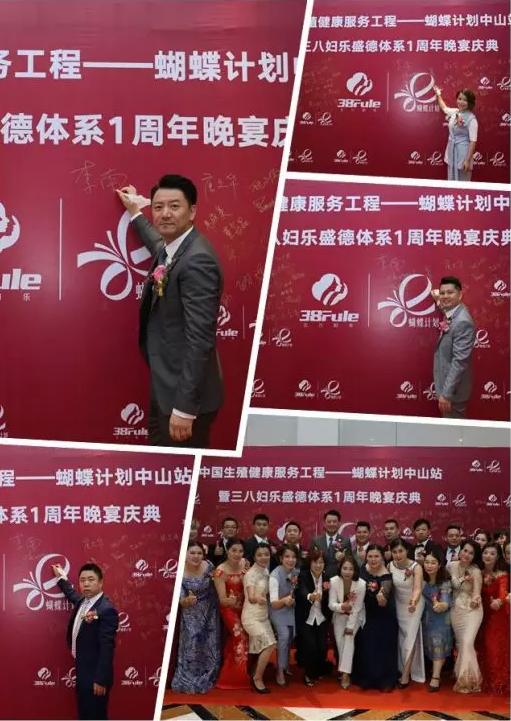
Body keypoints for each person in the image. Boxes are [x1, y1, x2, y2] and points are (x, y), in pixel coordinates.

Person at [116, 175, 223, 448]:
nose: (165, 214)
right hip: (166, 386)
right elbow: (157, 243)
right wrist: (135, 212)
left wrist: (185, 409)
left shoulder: (197, 260)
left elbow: (200, 340)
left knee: (179, 467)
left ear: (192, 211)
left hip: (185, 400)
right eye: (158, 207)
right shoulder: (175, 247)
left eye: (174, 206)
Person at [52, 562, 119, 720]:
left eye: (91, 579)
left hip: (96, 678)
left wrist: (100, 680)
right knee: (85, 714)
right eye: (82, 580)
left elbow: (107, 647)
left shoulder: (106, 609)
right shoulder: (83, 601)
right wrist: (61, 578)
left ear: (101, 583)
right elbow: (71, 594)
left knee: (96, 715)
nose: (86, 584)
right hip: (83, 672)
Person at [171, 541, 221, 693]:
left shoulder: (209, 566)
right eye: (192, 553)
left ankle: (209, 674)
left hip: (210, 611)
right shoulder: (180, 571)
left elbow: (218, 582)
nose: (196, 556)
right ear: (185, 554)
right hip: (191, 613)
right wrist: (187, 600)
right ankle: (189, 676)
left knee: (210, 644)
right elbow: (181, 599)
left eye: (199, 553)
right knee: (192, 645)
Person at [352, 544, 399, 692]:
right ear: (366, 557)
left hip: (383, 616)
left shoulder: (386, 577)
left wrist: (382, 598)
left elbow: (384, 599)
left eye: (376, 556)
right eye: (370, 556)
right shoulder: (361, 570)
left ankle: (384, 680)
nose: (373, 559)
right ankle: (365, 678)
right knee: (365, 646)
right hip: (364, 614)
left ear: (382, 557)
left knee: (381, 648)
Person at [432, 276, 475, 419]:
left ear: (460, 295)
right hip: (449, 388)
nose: (445, 296)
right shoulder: (455, 311)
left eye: (450, 292)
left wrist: (446, 394)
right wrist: (438, 300)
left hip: (453, 392)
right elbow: (446, 309)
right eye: (442, 293)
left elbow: (459, 362)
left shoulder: (463, 322)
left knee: (454, 429)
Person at [213, 538, 250, 689]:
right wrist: (231, 601)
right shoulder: (220, 571)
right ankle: (236, 678)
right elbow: (222, 601)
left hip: (246, 608)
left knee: (235, 641)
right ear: (227, 551)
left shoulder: (245, 564)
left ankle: (228, 673)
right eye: (234, 550)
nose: (237, 554)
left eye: (240, 551)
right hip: (229, 610)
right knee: (240, 637)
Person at [447, 539, 483, 693]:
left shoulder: (475, 571)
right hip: (456, 610)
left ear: (474, 556)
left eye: (471, 553)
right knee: (461, 644)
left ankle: (466, 682)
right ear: (460, 550)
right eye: (465, 550)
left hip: (472, 611)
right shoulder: (450, 566)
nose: (466, 554)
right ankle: (463, 677)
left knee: (467, 642)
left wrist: (476, 600)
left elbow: (476, 593)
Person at [388, 538, 426, 686]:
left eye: (401, 551)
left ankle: (405, 675)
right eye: (394, 552)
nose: (398, 555)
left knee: (410, 636)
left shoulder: (416, 567)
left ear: (407, 551)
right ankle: (403, 667)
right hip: (398, 604)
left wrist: (413, 601)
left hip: (414, 605)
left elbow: (417, 588)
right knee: (403, 638)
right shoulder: (390, 565)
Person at [241, 543, 277, 694]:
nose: (263, 557)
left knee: (270, 645)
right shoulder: (251, 574)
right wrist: (258, 599)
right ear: (254, 557)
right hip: (251, 617)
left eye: (266, 554)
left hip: (263, 616)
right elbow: (250, 597)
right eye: (259, 555)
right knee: (270, 645)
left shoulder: (266, 571)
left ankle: (256, 671)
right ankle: (257, 678)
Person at [295, 549, 333, 687]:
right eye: (315, 562)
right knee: (310, 646)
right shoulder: (303, 576)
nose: (318, 565)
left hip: (322, 618)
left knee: (322, 647)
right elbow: (302, 591)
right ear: (310, 563)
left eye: (321, 562)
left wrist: (324, 598)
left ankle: (318, 669)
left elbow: (330, 598)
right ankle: (308, 674)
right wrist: (310, 596)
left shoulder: (327, 578)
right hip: (307, 618)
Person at [329, 556, 366, 689]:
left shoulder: (361, 584)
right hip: (339, 615)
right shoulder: (333, 581)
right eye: (345, 568)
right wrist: (342, 607)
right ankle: (345, 670)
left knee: (348, 640)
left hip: (355, 616)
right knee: (341, 644)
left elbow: (357, 608)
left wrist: (350, 627)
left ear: (355, 570)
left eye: (351, 569)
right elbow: (331, 604)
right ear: (340, 568)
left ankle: (345, 675)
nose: (347, 572)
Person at [478, 542, 510, 695]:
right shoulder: (478, 572)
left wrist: (498, 601)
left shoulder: (502, 574)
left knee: (494, 647)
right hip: (480, 615)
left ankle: (498, 682)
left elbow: (503, 594)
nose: (488, 556)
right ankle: (483, 678)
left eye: (492, 553)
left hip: (497, 616)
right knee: (481, 646)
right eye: (485, 553)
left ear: (498, 557)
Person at [421, 549, 453, 692]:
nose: (429, 565)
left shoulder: (444, 582)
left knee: (438, 643)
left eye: (433, 563)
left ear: (439, 565)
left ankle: (436, 676)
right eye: (427, 562)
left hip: (441, 620)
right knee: (429, 645)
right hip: (426, 619)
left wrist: (441, 605)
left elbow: (445, 601)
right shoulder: (423, 580)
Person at [269, 544, 299, 686]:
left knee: (291, 635)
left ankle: (285, 665)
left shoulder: (296, 573)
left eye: (293, 557)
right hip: (277, 609)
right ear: (281, 558)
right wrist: (284, 601)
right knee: (284, 636)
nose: (290, 560)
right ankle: (279, 671)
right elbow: (274, 603)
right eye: (287, 556)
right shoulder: (274, 576)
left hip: (290, 609)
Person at [433, 86, 477, 181]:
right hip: (451, 150)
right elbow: (444, 108)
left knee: (463, 182)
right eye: (459, 99)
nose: (461, 102)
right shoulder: (455, 112)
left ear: (470, 102)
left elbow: (473, 141)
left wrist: (467, 160)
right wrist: (438, 94)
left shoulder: (472, 119)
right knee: (451, 180)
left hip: (463, 154)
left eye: (465, 100)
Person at [310, 509, 351, 576]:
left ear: (339, 523)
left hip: (339, 577)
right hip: (319, 577)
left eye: (334, 522)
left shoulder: (345, 541)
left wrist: (343, 558)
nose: (331, 524)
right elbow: (311, 561)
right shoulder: (316, 541)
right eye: (329, 522)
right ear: (324, 523)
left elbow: (350, 563)